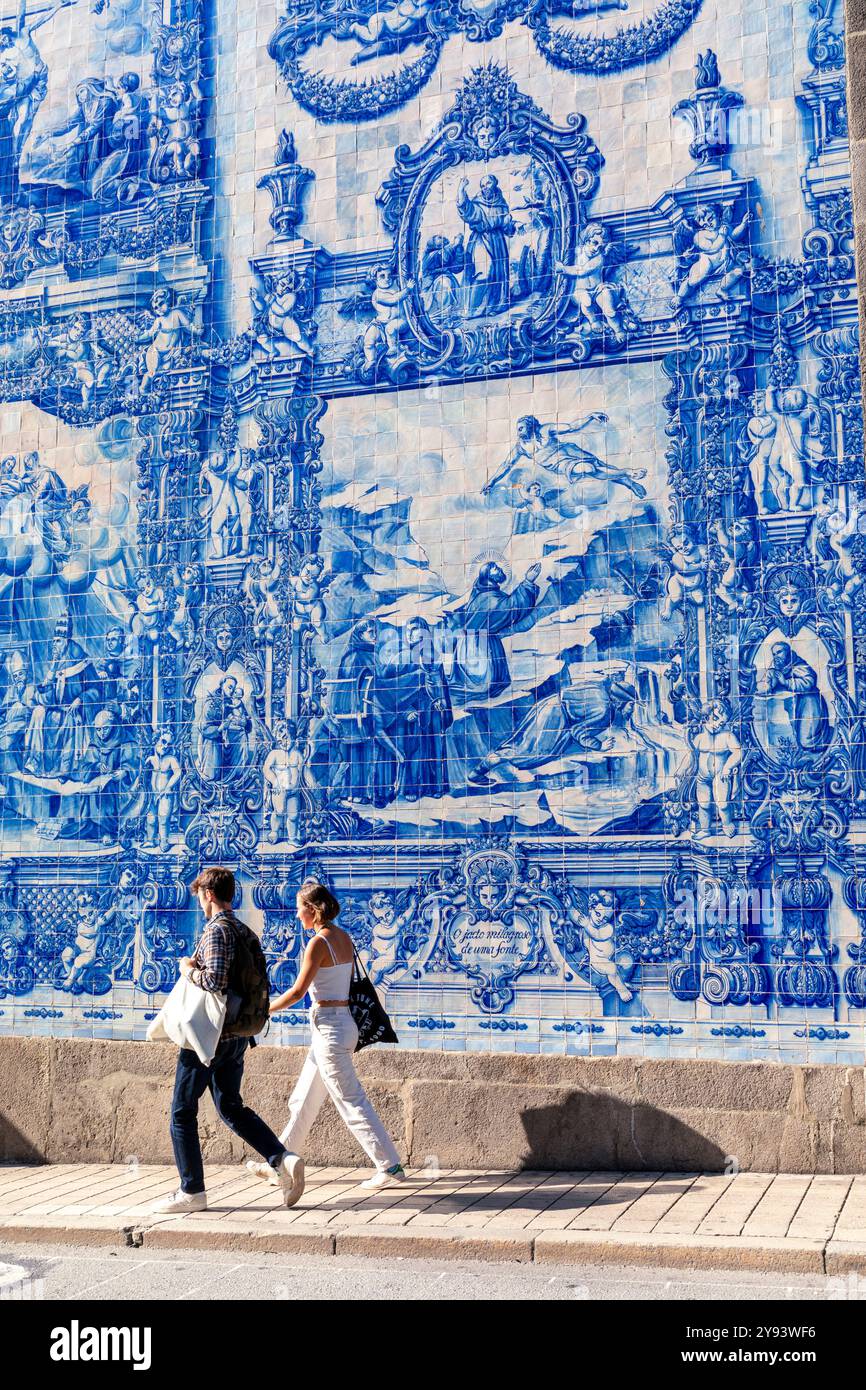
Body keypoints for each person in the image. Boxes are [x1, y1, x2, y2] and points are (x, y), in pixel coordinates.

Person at [152, 866, 305, 1214]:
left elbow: (216, 980)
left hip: (208, 1037)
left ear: (208, 894)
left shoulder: (216, 931)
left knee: (181, 1112)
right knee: (231, 1107)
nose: (200, 905)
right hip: (237, 1035)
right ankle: (282, 1158)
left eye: (200, 898)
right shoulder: (245, 931)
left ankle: (192, 1192)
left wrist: (187, 969)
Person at [247, 880, 405, 1192]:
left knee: (350, 1099)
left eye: (299, 909)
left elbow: (297, 991)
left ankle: (389, 1166)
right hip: (337, 1024)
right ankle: (278, 1162)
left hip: (330, 1028)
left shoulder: (318, 943)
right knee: (303, 1098)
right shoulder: (343, 937)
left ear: (312, 910)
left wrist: (265, 1010)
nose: (296, 915)